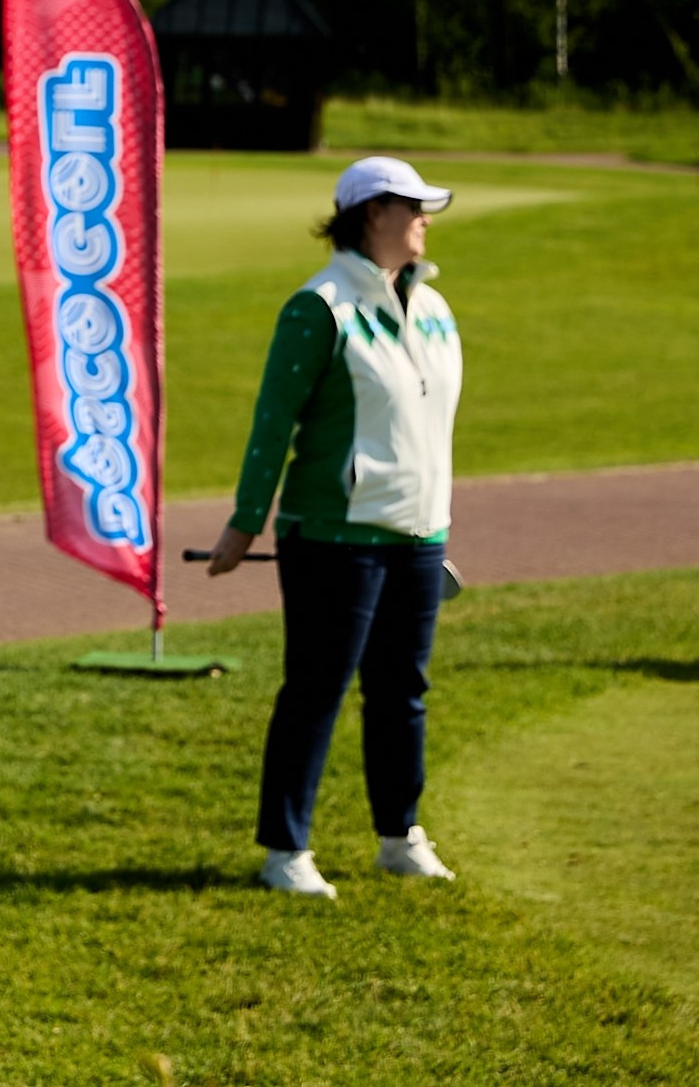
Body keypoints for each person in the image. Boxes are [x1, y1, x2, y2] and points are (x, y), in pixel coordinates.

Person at [205, 155, 465, 899]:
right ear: (372, 213)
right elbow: (272, 424)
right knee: (316, 689)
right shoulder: (318, 307)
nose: (424, 219)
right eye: (413, 206)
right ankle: (285, 847)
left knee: (402, 690)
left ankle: (399, 833)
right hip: (332, 536)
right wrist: (244, 524)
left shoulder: (436, 305)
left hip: (419, 534)